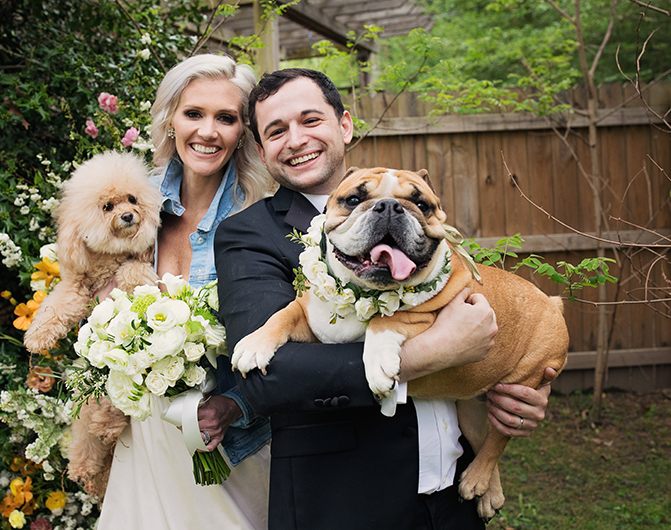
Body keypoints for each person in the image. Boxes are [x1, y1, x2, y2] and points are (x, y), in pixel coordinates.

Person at [214, 68, 556, 529]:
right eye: (277, 130)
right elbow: (266, 377)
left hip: (453, 496)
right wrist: (429, 354)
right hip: (343, 505)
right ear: (262, 149)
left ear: (345, 125)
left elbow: (484, 322)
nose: (296, 139)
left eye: (310, 120)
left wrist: (516, 389)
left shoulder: (410, 206)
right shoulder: (249, 233)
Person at [97, 54, 272, 530]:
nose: (208, 131)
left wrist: (235, 406)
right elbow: (88, 281)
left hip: (229, 443)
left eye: (227, 118)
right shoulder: (134, 198)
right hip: (144, 432)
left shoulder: (261, 217)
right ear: (171, 119)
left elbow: (288, 344)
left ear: (243, 132)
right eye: (194, 113)